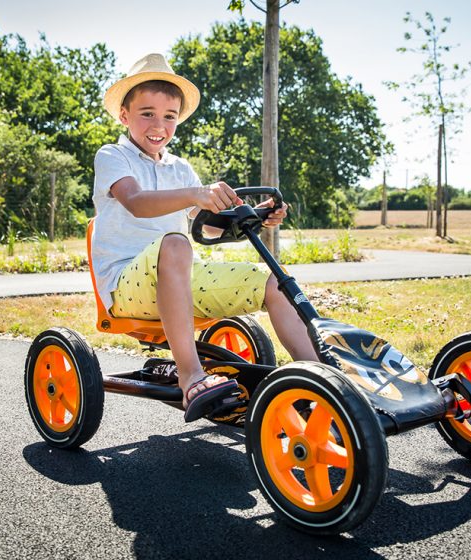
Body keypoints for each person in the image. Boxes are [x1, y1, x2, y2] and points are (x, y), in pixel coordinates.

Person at [92, 53, 318, 422]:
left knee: (275, 283)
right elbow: (135, 202)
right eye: (147, 113)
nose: (158, 125)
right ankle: (191, 374)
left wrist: (256, 217)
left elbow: (209, 227)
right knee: (177, 244)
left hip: (181, 278)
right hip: (126, 285)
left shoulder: (180, 168)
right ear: (124, 116)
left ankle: (323, 380)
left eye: (169, 116)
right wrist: (195, 194)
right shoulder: (113, 156)